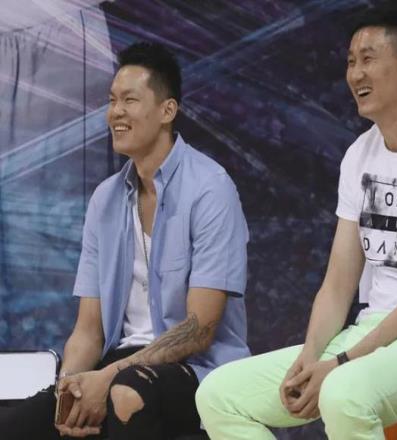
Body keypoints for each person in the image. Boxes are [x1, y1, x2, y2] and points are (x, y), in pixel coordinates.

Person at [195, 9, 397, 440]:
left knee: (342, 393)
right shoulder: (358, 156)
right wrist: (311, 356)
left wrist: (340, 364)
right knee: (218, 395)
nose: (356, 73)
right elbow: (338, 283)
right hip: (375, 329)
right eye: (351, 61)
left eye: (369, 59)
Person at [0, 41, 249, 439]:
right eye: (112, 100)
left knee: (126, 395)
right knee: (19, 424)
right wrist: (70, 389)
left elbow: (200, 329)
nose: (115, 112)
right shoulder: (105, 199)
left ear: (167, 111)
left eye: (129, 100)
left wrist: (108, 377)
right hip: (119, 363)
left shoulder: (210, 189)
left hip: (199, 370)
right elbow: (88, 331)